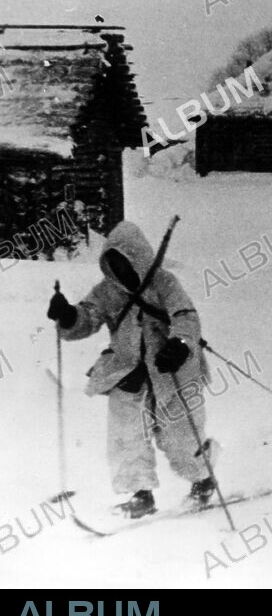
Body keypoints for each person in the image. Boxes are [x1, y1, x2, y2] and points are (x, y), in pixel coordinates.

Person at [46, 222, 217, 519]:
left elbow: (185, 316)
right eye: (113, 263)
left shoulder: (164, 283)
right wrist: (69, 315)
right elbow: (88, 318)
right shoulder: (107, 290)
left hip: (171, 368)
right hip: (127, 371)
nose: (120, 269)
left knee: (179, 436)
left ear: (137, 257)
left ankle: (203, 480)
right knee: (126, 436)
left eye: (124, 261)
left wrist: (178, 344)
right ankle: (141, 495)